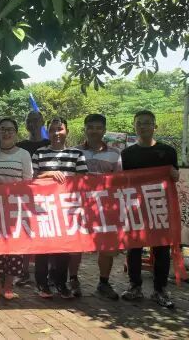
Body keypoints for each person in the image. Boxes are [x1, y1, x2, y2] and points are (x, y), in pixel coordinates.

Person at [121, 110, 179, 308]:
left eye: (147, 123)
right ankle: (135, 287)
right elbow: (122, 181)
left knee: (162, 249)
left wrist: (174, 174)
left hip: (160, 206)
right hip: (135, 207)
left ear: (155, 126)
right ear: (134, 126)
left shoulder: (168, 151)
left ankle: (159, 290)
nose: (143, 126)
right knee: (134, 248)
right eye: (139, 123)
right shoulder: (127, 154)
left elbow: (174, 176)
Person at [32, 118, 88, 299]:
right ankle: (41, 283)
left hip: (66, 209)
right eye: (52, 129)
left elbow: (82, 180)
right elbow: (32, 178)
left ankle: (60, 283)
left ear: (67, 131)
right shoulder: (39, 153)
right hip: (43, 208)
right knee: (43, 248)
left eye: (60, 129)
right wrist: (49, 174)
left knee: (64, 248)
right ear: (47, 132)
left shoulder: (76, 154)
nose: (56, 133)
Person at [0, 118, 33, 300]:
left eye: (10, 129)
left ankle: (9, 285)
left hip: (16, 208)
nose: (6, 133)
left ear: (16, 133)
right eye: (3, 129)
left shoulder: (24, 155)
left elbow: (27, 181)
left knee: (14, 248)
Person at [76, 114, 122, 300]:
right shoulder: (74, 152)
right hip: (78, 205)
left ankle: (104, 282)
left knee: (107, 246)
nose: (94, 131)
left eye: (98, 127)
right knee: (74, 244)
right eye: (90, 127)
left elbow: (119, 180)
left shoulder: (115, 153)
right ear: (85, 129)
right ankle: (73, 280)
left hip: (105, 207)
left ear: (104, 130)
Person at [15, 110, 50, 286]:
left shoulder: (49, 144)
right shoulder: (20, 146)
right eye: (29, 121)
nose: (33, 124)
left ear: (42, 122)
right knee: (25, 232)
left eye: (36, 120)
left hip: (47, 197)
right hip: (25, 196)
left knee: (45, 233)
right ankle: (23, 272)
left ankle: (46, 273)